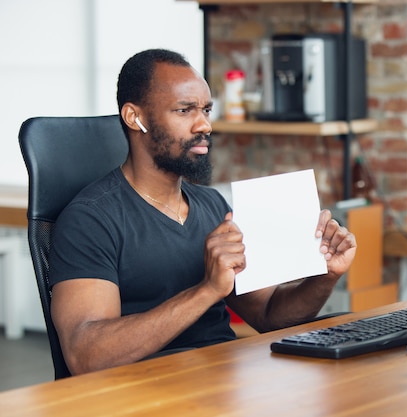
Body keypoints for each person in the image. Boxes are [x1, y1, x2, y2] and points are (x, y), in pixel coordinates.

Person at [48, 49, 357, 376]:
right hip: (146, 395)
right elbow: (86, 356)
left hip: (223, 382)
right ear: (133, 117)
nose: (204, 124)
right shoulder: (90, 220)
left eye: (206, 110)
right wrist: (207, 290)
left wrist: (325, 275)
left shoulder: (213, 206)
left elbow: (268, 315)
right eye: (185, 110)